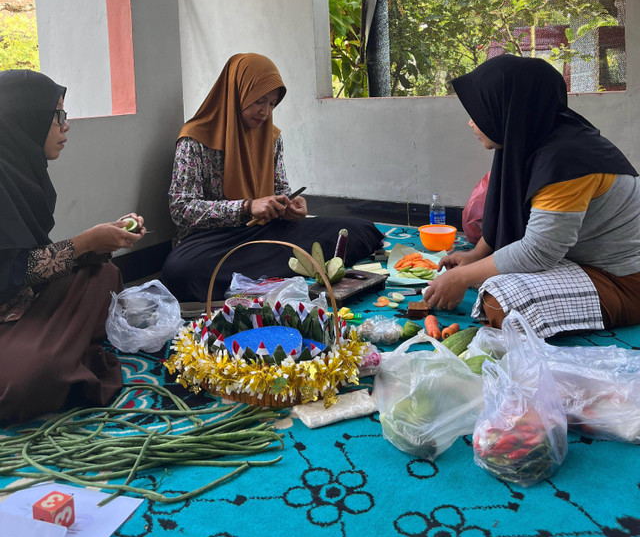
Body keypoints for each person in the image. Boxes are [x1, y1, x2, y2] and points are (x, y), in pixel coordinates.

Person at [422, 54, 640, 338]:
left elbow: (539, 251)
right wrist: (476, 256)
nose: (471, 123)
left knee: (500, 304)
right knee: (488, 277)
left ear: (508, 110)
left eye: (479, 110)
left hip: (621, 281)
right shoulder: (529, 141)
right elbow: (510, 212)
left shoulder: (568, 160)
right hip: (574, 261)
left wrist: (462, 276)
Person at [162, 53, 383, 302]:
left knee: (361, 230)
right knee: (179, 272)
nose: (265, 112)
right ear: (237, 93)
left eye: (272, 104)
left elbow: (280, 190)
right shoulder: (195, 139)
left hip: (265, 234)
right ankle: (273, 277)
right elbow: (181, 208)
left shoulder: (271, 137)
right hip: (212, 242)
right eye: (259, 101)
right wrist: (246, 207)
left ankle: (255, 281)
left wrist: (290, 207)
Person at [0, 69, 146, 423]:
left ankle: (58, 346)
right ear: (26, 119)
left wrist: (104, 239)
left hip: (24, 300)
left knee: (104, 272)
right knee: (24, 381)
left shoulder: (20, 172)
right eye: (58, 116)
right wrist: (85, 241)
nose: (66, 126)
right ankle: (57, 352)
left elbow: (29, 261)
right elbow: (10, 272)